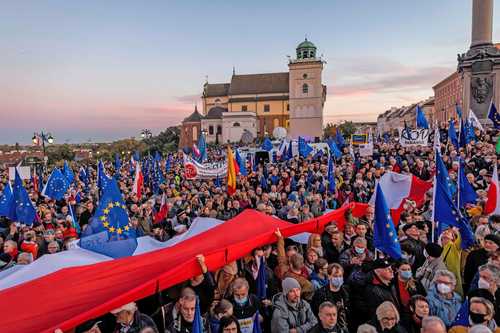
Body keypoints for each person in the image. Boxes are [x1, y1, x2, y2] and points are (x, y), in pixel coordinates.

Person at [310, 263, 350, 331]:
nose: (338, 278)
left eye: (340, 276)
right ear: (329, 276)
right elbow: (316, 314)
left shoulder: (347, 291)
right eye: (335, 276)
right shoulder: (320, 294)